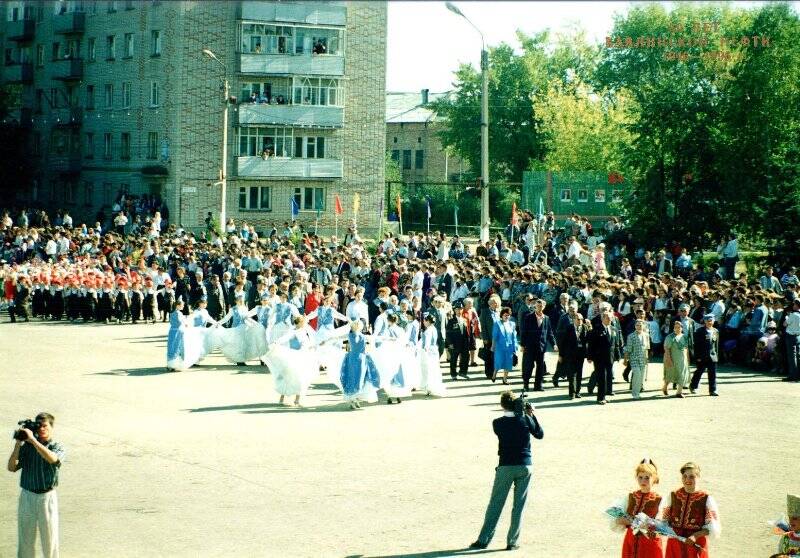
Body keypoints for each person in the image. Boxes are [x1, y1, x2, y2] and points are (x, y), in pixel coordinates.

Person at [469, 391, 543, 551]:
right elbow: (539, 434)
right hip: (525, 465)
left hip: (506, 466)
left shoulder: (497, 423)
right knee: (519, 506)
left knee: (495, 504)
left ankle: (483, 539)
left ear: (502, 406)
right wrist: (531, 415)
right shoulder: (525, 419)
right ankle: (512, 541)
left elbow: (508, 425)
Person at [7, 412, 66, 558]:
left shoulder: (56, 446)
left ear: (51, 427)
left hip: (47, 497)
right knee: (25, 538)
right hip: (27, 496)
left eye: (45, 426)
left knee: (49, 538)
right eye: (39, 426)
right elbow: (11, 467)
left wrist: (33, 440)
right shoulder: (27, 447)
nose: (41, 429)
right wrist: (18, 445)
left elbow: (53, 459)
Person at [663, 462, 721, 558]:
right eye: (684, 476)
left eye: (691, 477)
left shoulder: (706, 499)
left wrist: (695, 536)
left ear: (698, 477)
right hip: (674, 544)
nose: (687, 480)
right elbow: (664, 520)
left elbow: (712, 528)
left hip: (695, 544)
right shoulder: (673, 495)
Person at [610, 459, 664, 558]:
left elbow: (661, 525)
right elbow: (617, 518)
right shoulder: (630, 496)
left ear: (654, 478)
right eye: (640, 477)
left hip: (649, 543)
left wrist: (647, 524)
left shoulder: (659, 499)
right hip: (631, 539)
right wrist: (620, 520)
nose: (643, 481)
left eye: (647, 477)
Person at [520, 299, 556, 391]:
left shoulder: (546, 318)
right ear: (535, 306)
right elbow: (524, 332)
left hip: (541, 347)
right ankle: (526, 384)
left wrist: (554, 344)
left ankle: (538, 385)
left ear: (544, 307)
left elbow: (550, 333)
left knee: (540, 367)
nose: (540, 308)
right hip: (530, 346)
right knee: (528, 366)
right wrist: (522, 345)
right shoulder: (528, 317)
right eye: (538, 306)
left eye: (541, 306)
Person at [588, 311, 620, 404]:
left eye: (611, 318)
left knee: (608, 376)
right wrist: (590, 356)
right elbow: (591, 344)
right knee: (601, 377)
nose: (610, 319)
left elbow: (616, 344)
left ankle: (606, 393)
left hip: (610, 357)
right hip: (599, 357)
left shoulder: (614, 329)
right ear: (602, 318)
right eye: (607, 318)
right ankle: (600, 398)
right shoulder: (596, 329)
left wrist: (617, 355)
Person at [556, 311, 589, 399]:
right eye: (578, 319)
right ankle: (572, 393)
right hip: (570, 355)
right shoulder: (569, 328)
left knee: (579, 374)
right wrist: (561, 355)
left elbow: (589, 340)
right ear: (574, 319)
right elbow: (563, 343)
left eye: (582, 319)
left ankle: (578, 391)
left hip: (580, 355)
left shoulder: (585, 328)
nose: (580, 321)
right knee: (571, 374)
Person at [690, 314, 720, 396]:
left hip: (712, 356)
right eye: (708, 321)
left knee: (712, 374)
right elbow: (696, 345)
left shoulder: (716, 331)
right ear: (705, 321)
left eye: (711, 321)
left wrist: (716, 355)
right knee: (699, 372)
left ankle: (712, 390)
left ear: (713, 321)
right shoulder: (700, 331)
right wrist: (697, 357)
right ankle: (693, 386)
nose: (709, 322)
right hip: (702, 356)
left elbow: (716, 344)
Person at [663, 320, 690, 398]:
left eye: (679, 327)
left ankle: (679, 392)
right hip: (672, 358)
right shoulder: (670, 337)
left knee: (682, 375)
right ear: (673, 328)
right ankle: (665, 387)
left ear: (682, 328)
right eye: (675, 327)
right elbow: (666, 349)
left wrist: (688, 359)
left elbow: (686, 349)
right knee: (670, 375)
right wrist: (669, 359)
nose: (677, 329)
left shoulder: (684, 337)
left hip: (682, 360)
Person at [624, 319, 651, 399]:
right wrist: (625, 360)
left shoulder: (646, 335)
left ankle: (638, 392)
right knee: (637, 374)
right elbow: (628, 349)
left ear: (644, 326)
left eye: (640, 325)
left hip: (642, 359)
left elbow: (647, 348)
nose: (639, 327)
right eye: (637, 325)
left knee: (641, 377)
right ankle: (634, 393)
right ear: (635, 326)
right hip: (634, 359)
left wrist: (646, 358)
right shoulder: (631, 336)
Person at [492, 307, 518, 385]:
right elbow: (494, 336)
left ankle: (505, 379)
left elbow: (514, 336)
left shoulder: (512, 324)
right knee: (498, 362)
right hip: (500, 347)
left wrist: (515, 347)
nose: (506, 317)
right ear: (502, 315)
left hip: (509, 347)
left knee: (508, 363)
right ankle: (494, 375)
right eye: (505, 315)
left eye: (508, 315)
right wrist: (493, 346)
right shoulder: (497, 324)